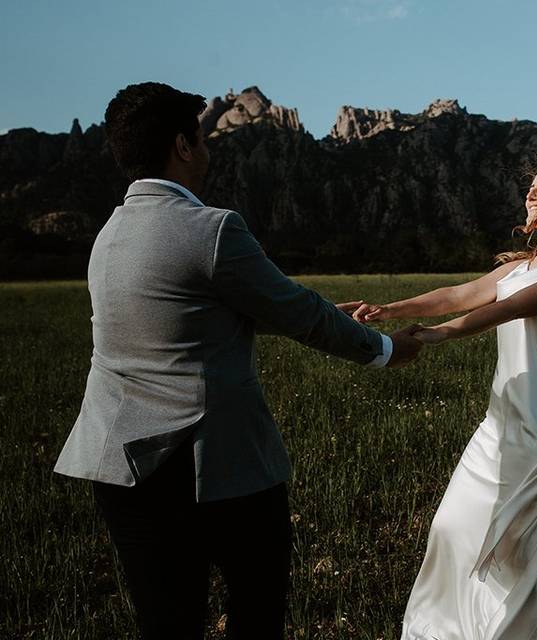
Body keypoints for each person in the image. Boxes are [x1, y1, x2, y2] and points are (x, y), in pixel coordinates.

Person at [52, 82, 422, 640]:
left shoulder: (108, 235)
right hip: (212, 468)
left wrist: (310, 309)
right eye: (200, 139)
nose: (206, 150)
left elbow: (189, 318)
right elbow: (301, 314)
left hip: (121, 466)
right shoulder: (211, 229)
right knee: (257, 609)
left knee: (167, 622)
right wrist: (387, 350)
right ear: (182, 145)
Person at [352, 152, 537, 639]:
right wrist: (388, 309)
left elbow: (516, 307)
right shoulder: (520, 264)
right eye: (531, 186)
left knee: (519, 557)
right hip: (498, 425)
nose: (531, 193)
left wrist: (441, 334)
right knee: (452, 529)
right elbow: (458, 293)